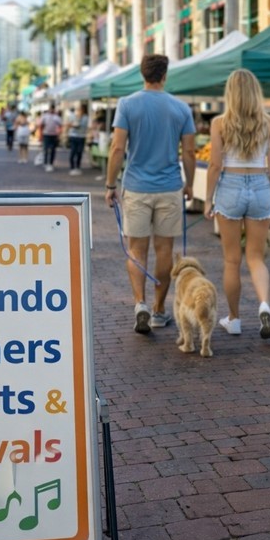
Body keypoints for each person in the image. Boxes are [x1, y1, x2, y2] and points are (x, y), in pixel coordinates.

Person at [105, 54, 196, 334]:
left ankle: (139, 303)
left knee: (136, 250)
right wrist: (189, 184)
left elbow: (118, 148)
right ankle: (158, 310)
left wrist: (110, 185)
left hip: (136, 188)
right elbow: (190, 151)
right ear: (165, 75)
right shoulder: (181, 108)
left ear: (142, 74)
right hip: (169, 188)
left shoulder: (127, 104)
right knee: (165, 250)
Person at [204, 69, 270, 338]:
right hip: (260, 186)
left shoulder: (219, 123)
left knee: (231, 260)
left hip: (230, 186)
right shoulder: (269, 122)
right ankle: (264, 306)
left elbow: (215, 165)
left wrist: (208, 199)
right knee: (257, 258)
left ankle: (234, 318)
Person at [67, 103, 89, 176]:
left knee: (79, 152)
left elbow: (85, 126)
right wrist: (73, 124)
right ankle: (72, 167)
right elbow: (68, 124)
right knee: (73, 151)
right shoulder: (73, 116)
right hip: (73, 136)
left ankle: (78, 167)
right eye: (79, 109)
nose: (79, 110)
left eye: (81, 109)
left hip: (81, 136)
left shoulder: (86, 117)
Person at [39, 104, 63, 173]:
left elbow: (61, 125)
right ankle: (46, 162)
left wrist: (59, 133)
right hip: (46, 134)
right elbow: (41, 125)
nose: (51, 110)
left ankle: (51, 163)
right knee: (46, 149)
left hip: (54, 135)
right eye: (50, 109)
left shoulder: (56, 117)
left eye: (52, 109)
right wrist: (41, 135)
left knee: (53, 150)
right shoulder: (45, 116)